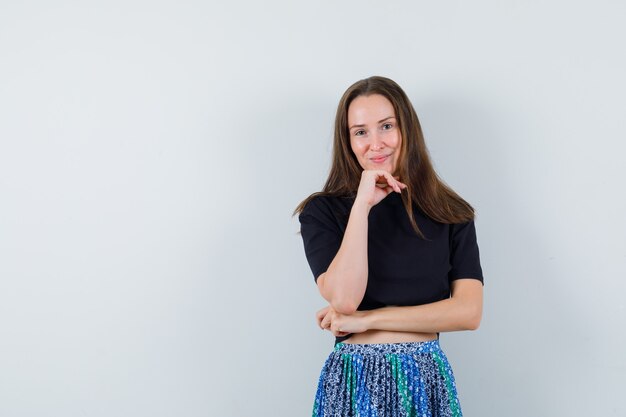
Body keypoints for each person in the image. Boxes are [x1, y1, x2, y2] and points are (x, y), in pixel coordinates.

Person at [293, 75, 484, 416]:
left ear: (406, 128)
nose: (376, 143)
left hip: (425, 381)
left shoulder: (451, 212)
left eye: (386, 126)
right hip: (354, 382)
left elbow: (468, 313)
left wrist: (368, 320)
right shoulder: (323, 211)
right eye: (361, 131)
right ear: (348, 141)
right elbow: (345, 299)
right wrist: (362, 206)